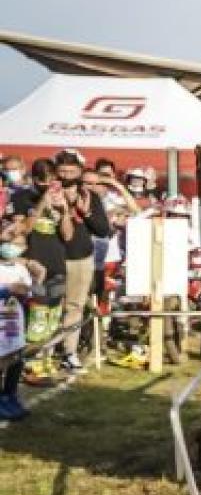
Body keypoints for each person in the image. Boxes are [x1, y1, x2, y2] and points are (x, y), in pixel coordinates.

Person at [49, 151, 110, 370]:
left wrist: (86, 213)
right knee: (49, 304)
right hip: (50, 257)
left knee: (74, 306)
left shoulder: (89, 195)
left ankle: (69, 351)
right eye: (62, 170)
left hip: (80, 258)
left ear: (80, 171)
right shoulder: (47, 192)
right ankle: (44, 349)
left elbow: (104, 230)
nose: (66, 175)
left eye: (71, 171)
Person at [0, 219, 41, 420]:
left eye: (20, 245)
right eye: (12, 243)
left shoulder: (20, 269)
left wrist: (36, 281)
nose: (15, 248)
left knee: (15, 356)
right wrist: (6, 290)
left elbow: (30, 291)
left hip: (12, 317)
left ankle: (10, 395)